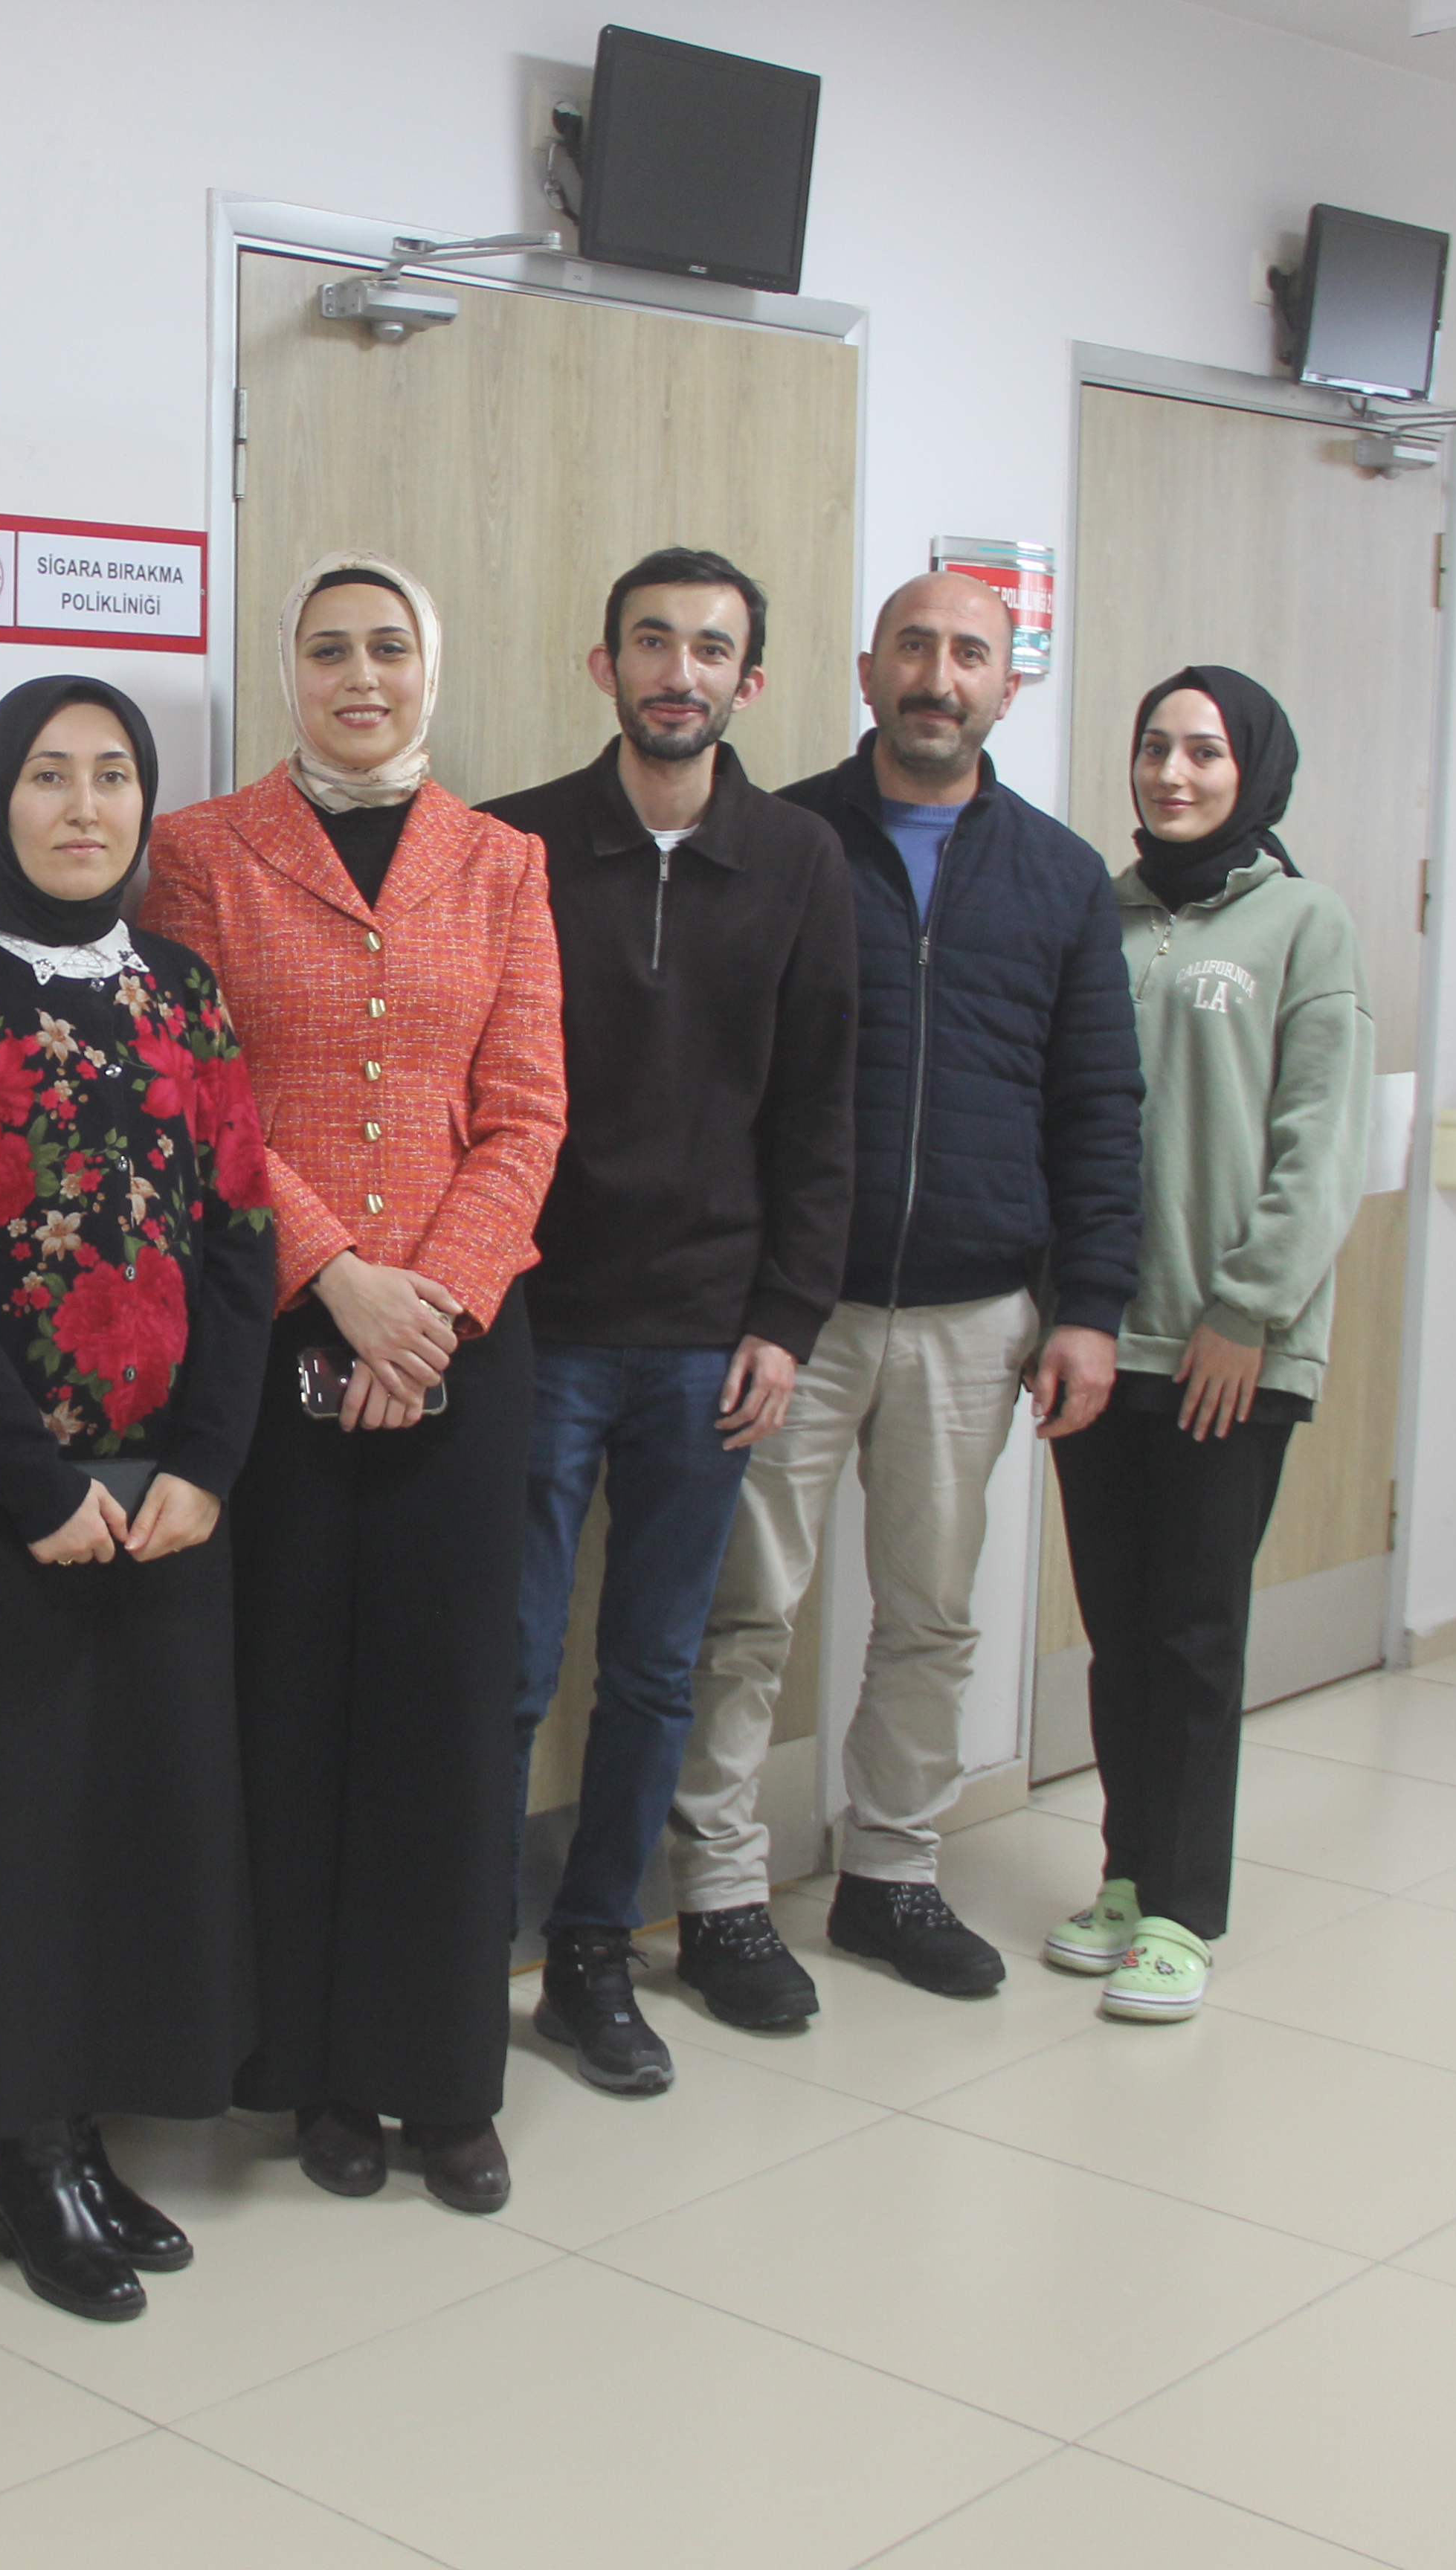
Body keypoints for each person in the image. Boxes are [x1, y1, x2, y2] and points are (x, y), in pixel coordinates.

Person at [0, 674, 276, 2321]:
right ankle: (28, 2158)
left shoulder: (185, 993)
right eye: (47, 776)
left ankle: (91, 2132)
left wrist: (210, 1463)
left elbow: (243, 1234)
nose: (84, 808)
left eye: (112, 777)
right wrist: (29, 1482)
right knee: (14, 1836)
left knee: (139, 1824)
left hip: (167, 1504)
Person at [139, 551, 566, 2215]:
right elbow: (202, 1098)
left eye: (390, 648)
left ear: (430, 671)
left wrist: (431, 1308)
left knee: (452, 1711)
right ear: (290, 673)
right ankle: (314, 2070)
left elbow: (526, 1111)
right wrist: (338, 1281)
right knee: (297, 1698)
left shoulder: (504, 862)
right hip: (277, 1330)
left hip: (463, 1340)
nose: (362, 677)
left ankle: (447, 2077)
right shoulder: (204, 854)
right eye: (330, 651)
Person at [668, 572, 1142, 2009]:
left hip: (975, 1315)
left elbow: (1099, 1105)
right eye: (916, 648)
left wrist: (1089, 1307)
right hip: (789, 1317)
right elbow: (717, 1078)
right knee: (746, 1612)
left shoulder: (1060, 877)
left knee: (932, 1614)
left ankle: (890, 1874)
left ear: (1010, 684)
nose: (941, 677)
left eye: (971, 654)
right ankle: (720, 1893)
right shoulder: (781, 841)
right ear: (867, 670)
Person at [479, 548, 857, 2086]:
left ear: (747, 682)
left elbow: (822, 1112)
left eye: (710, 649)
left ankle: (591, 1956)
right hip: (538, 1326)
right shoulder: (508, 844)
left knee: (652, 1669)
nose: (678, 672)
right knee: (508, 1668)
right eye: (652, 642)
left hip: (709, 1339)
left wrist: (788, 1316)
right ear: (606, 665)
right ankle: (458, 1963)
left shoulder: (801, 862)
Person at [1044, 667, 1370, 2023]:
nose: (1173, 774)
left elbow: (1324, 1138)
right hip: (1102, 1341)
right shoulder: (1101, 912)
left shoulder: (1305, 922)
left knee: (1194, 1633)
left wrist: (1248, 1310)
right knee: (1120, 1631)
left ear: (1255, 772)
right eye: (1155, 748)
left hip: (1230, 1347)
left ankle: (1184, 1910)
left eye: (1206, 752)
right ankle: (1127, 1877)